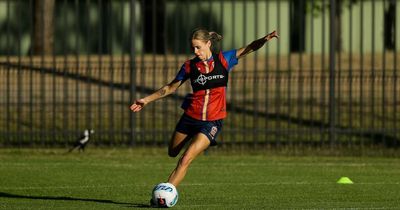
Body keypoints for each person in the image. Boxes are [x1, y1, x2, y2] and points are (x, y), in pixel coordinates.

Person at [130, 28, 278, 203]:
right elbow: (169, 88)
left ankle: (163, 198)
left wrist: (265, 39)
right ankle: (190, 142)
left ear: (208, 44)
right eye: (193, 48)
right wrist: (146, 100)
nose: (195, 52)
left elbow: (248, 48)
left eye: (198, 47)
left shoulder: (223, 60)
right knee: (173, 152)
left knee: (185, 159)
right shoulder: (189, 66)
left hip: (212, 121)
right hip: (190, 117)